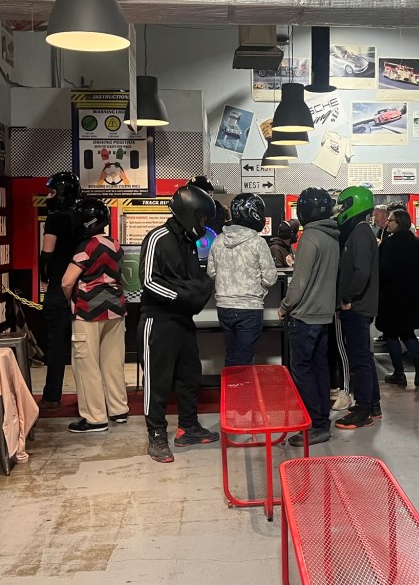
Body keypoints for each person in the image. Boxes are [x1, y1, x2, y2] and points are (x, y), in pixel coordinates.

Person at [139, 182, 218, 463]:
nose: (204, 224)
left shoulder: (188, 243)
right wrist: (184, 295)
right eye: (202, 217)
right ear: (190, 212)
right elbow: (148, 281)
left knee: (190, 375)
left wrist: (192, 293)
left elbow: (193, 283)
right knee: (157, 381)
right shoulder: (157, 237)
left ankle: (188, 427)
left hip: (182, 320)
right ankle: (156, 435)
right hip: (157, 320)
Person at [61, 197, 130, 433]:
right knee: (113, 362)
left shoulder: (85, 247)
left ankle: (95, 418)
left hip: (88, 311)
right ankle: (119, 409)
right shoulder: (115, 244)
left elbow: (67, 281)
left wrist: (71, 300)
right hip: (116, 309)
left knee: (86, 364)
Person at [279, 188, 340, 447]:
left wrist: (284, 306)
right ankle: (321, 420)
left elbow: (299, 282)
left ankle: (315, 424)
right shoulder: (333, 236)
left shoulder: (310, 238)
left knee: (302, 370)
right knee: (320, 368)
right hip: (324, 315)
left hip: (305, 316)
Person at [207, 193, 277, 366]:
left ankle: (230, 385)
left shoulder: (218, 240)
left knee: (231, 356)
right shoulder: (257, 242)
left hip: (224, 306)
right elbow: (270, 278)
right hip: (250, 308)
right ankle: (243, 385)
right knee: (245, 360)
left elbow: (211, 272)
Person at [334, 186, 381, 430]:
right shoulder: (362, 232)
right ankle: (372, 404)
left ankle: (363, 409)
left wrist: (347, 297)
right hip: (361, 305)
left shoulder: (360, 234)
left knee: (360, 359)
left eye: (343, 205)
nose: (341, 210)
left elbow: (360, 272)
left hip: (357, 306)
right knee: (365, 357)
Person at [39, 171, 81, 411]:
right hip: (82, 287)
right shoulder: (82, 217)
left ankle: (52, 397)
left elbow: (47, 253)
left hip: (58, 287)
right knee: (85, 346)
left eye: (52, 192)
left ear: (63, 193)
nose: (48, 196)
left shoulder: (55, 219)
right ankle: (90, 396)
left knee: (57, 345)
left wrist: (45, 277)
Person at [376, 208, 419, 388]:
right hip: (412, 296)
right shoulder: (417, 242)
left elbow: (382, 271)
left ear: (399, 223)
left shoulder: (389, 244)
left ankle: (399, 372)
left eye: (390, 220)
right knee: (407, 332)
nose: (387, 223)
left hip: (392, 297)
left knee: (391, 334)